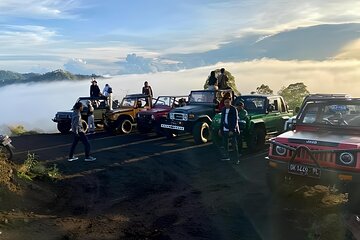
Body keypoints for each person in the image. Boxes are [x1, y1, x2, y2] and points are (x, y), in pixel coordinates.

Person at [218, 96, 240, 164]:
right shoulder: (223, 109)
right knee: (225, 144)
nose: (226, 103)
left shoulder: (233, 109)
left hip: (232, 130)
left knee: (234, 145)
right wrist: (220, 129)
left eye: (228, 102)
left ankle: (236, 159)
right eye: (225, 102)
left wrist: (231, 130)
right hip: (224, 129)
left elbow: (235, 120)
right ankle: (226, 157)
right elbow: (222, 119)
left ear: (230, 102)